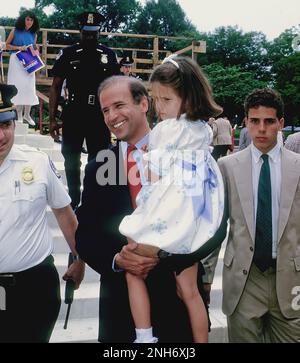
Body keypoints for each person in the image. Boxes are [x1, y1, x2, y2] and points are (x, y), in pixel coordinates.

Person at [75, 75, 227, 343]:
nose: (112, 116)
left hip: (177, 301)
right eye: (105, 110)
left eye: (119, 105)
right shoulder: (99, 166)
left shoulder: (184, 151)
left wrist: (165, 254)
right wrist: (117, 260)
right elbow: (85, 236)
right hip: (121, 311)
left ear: (144, 103)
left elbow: (215, 221)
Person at [118, 56, 225, 343]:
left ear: (187, 99)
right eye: (156, 99)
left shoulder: (166, 130)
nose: (159, 107)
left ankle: (144, 336)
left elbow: (152, 175)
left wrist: (145, 165)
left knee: (133, 271)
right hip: (193, 216)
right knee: (189, 290)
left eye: (166, 99)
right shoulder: (202, 128)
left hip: (169, 212)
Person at [203, 88, 300, 343]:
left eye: (269, 121)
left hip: (291, 277)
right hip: (245, 279)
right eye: (254, 121)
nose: (261, 129)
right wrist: (206, 275)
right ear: (245, 122)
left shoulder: (298, 167)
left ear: (280, 123)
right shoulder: (227, 167)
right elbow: (216, 226)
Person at [0, 85, 85, 343]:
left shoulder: (35, 162)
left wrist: (80, 259)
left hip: (34, 287)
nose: (1, 136)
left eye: (6, 125)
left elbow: (64, 213)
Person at [49, 12, 120, 209]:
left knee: (97, 160)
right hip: (74, 112)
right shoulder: (69, 53)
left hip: (98, 114)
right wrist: (52, 119)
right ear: (80, 32)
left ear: (99, 32)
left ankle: (90, 202)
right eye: (86, 33)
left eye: (94, 33)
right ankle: (73, 200)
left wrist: (116, 118)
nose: (90, 37)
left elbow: (117, 88)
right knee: (71, 160)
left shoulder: (108, 55)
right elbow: (55, 86)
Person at [6, 10, 39, 126]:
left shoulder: (34, 34)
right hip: (16, 59)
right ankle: (19, 115)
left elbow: (33, 47)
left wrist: (36, 51)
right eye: (28, 19)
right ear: (23, 19)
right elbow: (7, 45)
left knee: (29, 86)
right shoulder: (15, 30)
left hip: (29, 60)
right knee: (17, 86)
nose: (30, 22)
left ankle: (27, 114)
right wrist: (19, 47)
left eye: (31, 20)